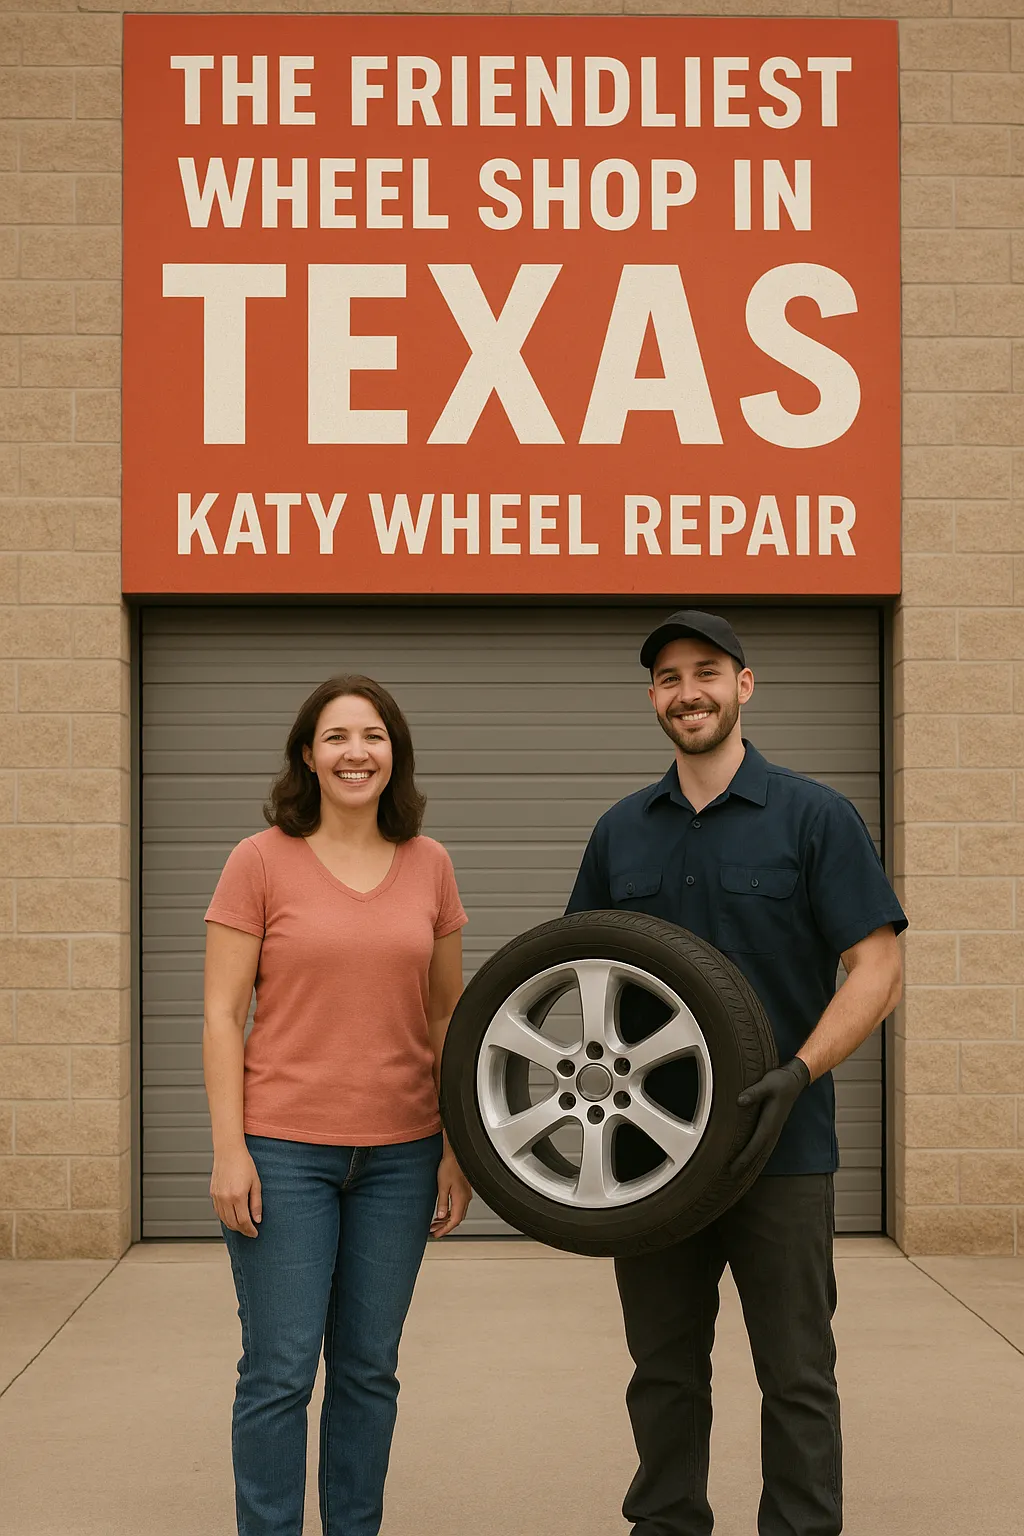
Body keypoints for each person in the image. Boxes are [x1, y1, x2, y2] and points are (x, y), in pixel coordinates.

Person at [565, 609, 907, 1536]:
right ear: (653, 699)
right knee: (663, 1372)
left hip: (780, 1146)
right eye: (669, 678)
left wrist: (800, 1071)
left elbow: (877, 968)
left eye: (707, 672)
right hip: (651, 1152)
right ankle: (666, 1525)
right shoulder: (620, 832)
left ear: (743, 686)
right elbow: (577, 972)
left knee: (796, 1372)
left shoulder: (815, 817)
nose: (689, 693)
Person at [202, 673, 472, 1536]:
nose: (356, 752)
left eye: (373, 736)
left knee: (367, 1372)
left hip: (402, 1155)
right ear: (308, 757)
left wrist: (458, 1146)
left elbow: (446, 1016)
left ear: (395, 755)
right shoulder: (258, 861)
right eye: (337, 737)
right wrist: (229, 1150)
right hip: (283, 1152)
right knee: (279, 1373)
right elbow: (221, 1014)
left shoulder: (430, 864)